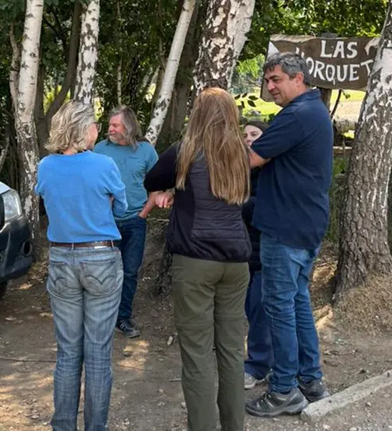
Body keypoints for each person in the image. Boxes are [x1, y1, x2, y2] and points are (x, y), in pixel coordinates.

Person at [143, 87, 251, 431]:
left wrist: (170, 191)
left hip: (195, 261)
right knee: (232, 352)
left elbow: (151, 179)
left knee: (198, 355)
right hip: (236, 263)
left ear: (198, 115)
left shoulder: (185, 152)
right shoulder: (242, 155)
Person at [245, 52, 332, 417]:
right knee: (296, 304)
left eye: (276, 80)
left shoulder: (296, 115)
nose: (270, 87)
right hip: (305, 225)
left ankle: (283, 390)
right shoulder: (315, 111)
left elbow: (251, 159)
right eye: (267, 81)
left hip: (285, 228)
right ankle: (310, 380)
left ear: (299, 79)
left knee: (280, 307)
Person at [35, 100, 127, 431]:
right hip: (100, 255)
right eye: (94, 126)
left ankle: (63, 426)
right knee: (98, 354)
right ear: (83, 129)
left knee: (68, 352)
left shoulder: (45, 166)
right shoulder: (104, 165)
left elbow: (45, 198)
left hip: (61, 257)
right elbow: (123, 206)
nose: (97, 131)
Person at [93, 106, 158, 338]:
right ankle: (101, 319)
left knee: (130, 272)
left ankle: (123, 318)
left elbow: (158, 186)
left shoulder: (146, 151)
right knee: (103, 272)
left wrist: (143, 214)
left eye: (115, 125)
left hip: (135, 222)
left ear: (128, 127)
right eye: (110, 125)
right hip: (105, 223)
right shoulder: (99, 150)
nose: (110, 129)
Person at [241, 120, 273, 390]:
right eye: (245, 135)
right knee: (251, 310)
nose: (249, 139)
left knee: (260, 309)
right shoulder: (241, 172)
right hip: (242, 253)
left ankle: (258, 365)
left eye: (254, 134)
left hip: (266, 252)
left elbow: (260, 209)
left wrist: (235, 204)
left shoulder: (273, 172)